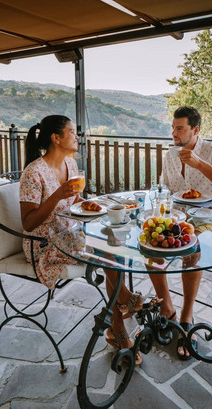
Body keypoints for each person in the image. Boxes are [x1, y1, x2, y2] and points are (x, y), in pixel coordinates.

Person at [20, 114, 153, 365]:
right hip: (43, 242)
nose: (76, 136)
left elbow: (75, 203)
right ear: (56, 138)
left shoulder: (70, 165)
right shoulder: (33, 172)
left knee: (113, 239)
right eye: (71, 132)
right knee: (106, 248)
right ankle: (123, 308)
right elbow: (28, 223)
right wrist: (58, 194)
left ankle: (118, 325)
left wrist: (94, 205)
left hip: (70, 231)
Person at [149, 106, 212, 360]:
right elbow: (165, 190)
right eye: (173, 128)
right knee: (150, 247)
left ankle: (186, 318)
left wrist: (199, 164)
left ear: (195, 130)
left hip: (210, 220)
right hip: (177, 218)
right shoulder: (170, 154)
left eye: (180, 128)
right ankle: (167, 310)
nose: (174, 133)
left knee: (193, 249)